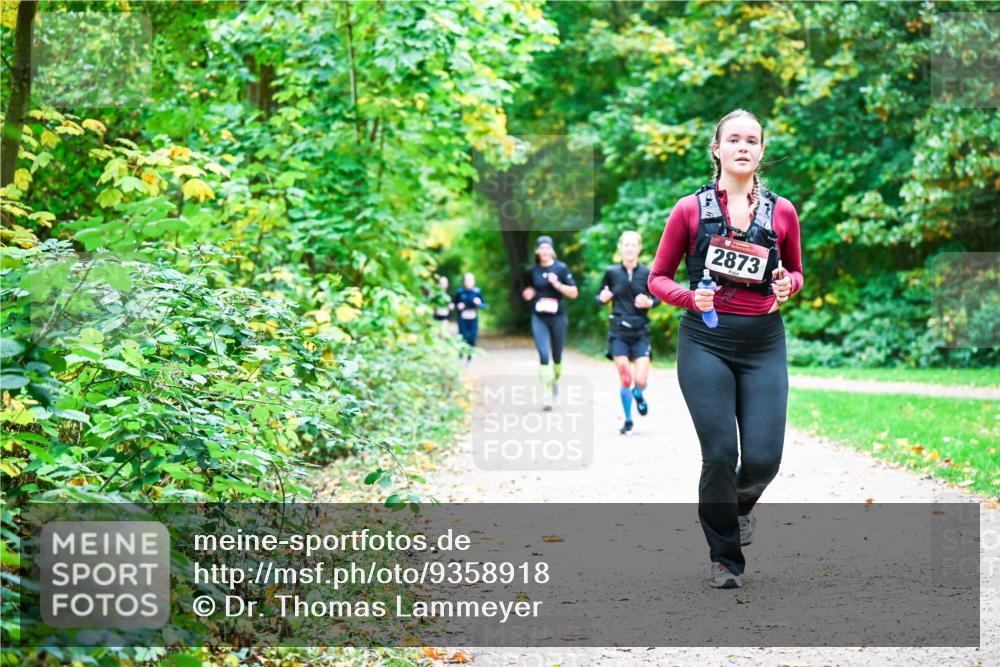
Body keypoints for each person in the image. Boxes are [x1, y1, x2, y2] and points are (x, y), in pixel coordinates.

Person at [648, 109, 803, 590]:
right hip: (705, 341)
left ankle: (737, 508)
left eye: (752, 140)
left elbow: (796, 272)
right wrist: (688, 297)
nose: (742, 147)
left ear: (761, 151)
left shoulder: (782, 212)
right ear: (716, 149)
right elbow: (657, 278)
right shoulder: (689, 210)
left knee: (763, 460)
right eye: (733, 139)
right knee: (718, 453)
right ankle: (724, 558)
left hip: (763, 343)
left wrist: (786, 285)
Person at [596, 231, 660, 435]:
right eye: (626, 245)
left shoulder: (648, 273)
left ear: (640, 248)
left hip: (640, 332)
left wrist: (650, 302)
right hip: (618, 332)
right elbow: (599, 295)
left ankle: (638, 394)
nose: (630, 248)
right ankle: (628, 420)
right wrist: (603, 297)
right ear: (620, 247)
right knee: (625, 377)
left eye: (634, 245)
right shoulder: (611, 272)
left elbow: (658, 297)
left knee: (640, 380)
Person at [522, 236, 579, 410]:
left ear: (552, 250)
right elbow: (527, 289)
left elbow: (574, 293)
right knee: (543, 355)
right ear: (537, 251)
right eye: (542, 248)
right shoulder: (532, 270)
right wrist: (528, 294)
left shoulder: (561, 268)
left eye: (548, 248)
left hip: (558, 317)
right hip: (539, 317)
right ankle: (546, 396)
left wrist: (558, 284)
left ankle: (554, 382)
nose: (545, 252)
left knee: (557, 358)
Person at [454, 272, 486, 364]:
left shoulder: (477, 292)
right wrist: (458, 306)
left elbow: (484, 305)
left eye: (471, 280)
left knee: (472, 337)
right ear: (464, 281)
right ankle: (460, 356)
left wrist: (479, 303)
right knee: (462, 337)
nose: (469, 282)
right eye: (467, 280)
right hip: (462, 318)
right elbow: (453, 304)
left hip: (473, 317)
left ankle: (469, 357)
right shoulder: (460, 292)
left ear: (474, 281)